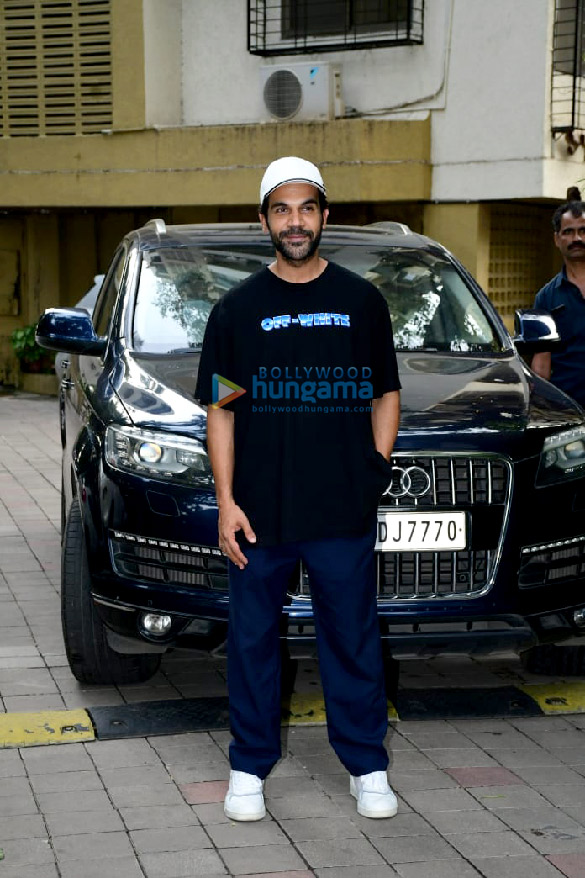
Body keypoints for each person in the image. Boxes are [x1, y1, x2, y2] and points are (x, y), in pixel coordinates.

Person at [195, 156, 401, 822]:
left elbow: (386, 393)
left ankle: (365, 765)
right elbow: (221, 410)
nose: (294, 221)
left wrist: (373, 465)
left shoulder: (359, 301)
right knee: (253, 640)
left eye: (306, 208)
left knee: (351, 637)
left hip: (340, 506)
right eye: (281, 210)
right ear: (264, 221)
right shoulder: (236, 310)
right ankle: (248, 767)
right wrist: (226, 503)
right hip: (259, 510)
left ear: (323, 216)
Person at [532, 188, 585, 408]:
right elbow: (542, 363)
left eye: (583, 231)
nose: (577, 238)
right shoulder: (546, 297)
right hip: (569, 409)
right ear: (557, 239)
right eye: (568, 232)